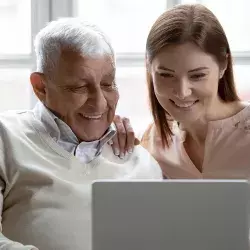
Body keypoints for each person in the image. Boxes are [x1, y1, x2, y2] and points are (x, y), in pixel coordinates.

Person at [0, 18, 162, 250]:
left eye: (108, 85)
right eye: (79, 87)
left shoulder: (142, 162)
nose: (99, 104)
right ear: (41, 88)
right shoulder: (6, 138)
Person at [115, 3, 250, 179]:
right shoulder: (148, 145)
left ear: (223, 65)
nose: (182, 92)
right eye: (166, 75)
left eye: (197, 76)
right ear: (148, 65)